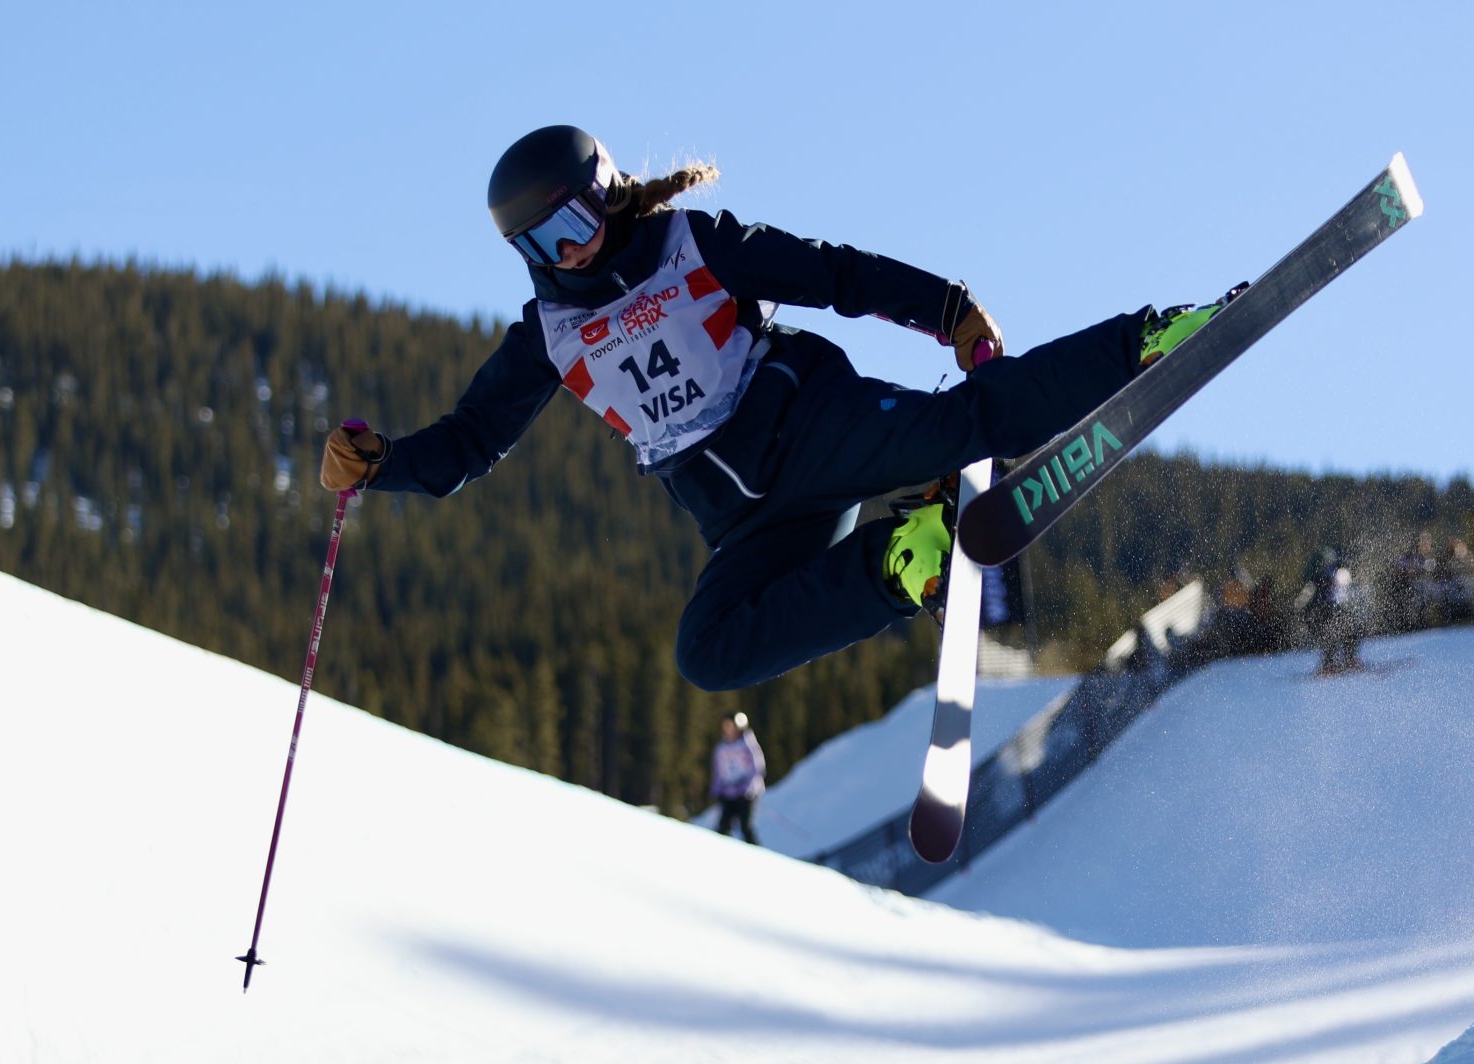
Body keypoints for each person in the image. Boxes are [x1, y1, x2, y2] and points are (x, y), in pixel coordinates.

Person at [318, 125, 1234, 694]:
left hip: (808, 426)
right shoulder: (547, 334)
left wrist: (945, 310)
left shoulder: (691, 243)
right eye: (545, 242)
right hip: (743, 518)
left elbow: (830, 273)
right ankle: (901, 562)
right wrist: (380, 462)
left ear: (606, 193)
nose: (574, 249)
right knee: (708, 652)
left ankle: (1146, 340)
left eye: (581, 219)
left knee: (963, 426)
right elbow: (472, 441)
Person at [709, 711, 766, 843]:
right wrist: (717, 790)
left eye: (730, 726)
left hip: (746, 794)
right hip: (727, 793)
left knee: (745, 826)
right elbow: (717, 770)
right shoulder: (721, 747)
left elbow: (757, 768)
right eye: (725, 726)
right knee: (723, 827)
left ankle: (756, 853)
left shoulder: (748, 746)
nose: (728, 730)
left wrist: (748, 788)